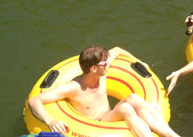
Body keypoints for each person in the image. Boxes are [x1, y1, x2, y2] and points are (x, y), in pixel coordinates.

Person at [28, 46, 180, 137]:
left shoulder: (103, 73)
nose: (108, 64)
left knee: (133, 98)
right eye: (105, 63)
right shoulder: (74, 87)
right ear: (94, 68)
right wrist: (50, 120)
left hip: (110, 116)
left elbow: (117, 49)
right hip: (92, 127)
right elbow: (35, 100)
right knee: (126, 108)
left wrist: (138, 61)